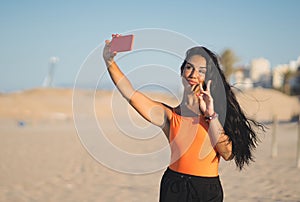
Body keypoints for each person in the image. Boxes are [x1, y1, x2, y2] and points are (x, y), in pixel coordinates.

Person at [103, 34, 264, 202]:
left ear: (208, 78)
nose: (193, 74)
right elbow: (130, 94)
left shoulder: (215, 115)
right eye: (189, 67)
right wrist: (109, 62)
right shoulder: (170, 116)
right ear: (182, 72)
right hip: (173, 187)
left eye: (201, 71)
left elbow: (228, 154)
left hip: (206, 190)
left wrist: (210, 115)